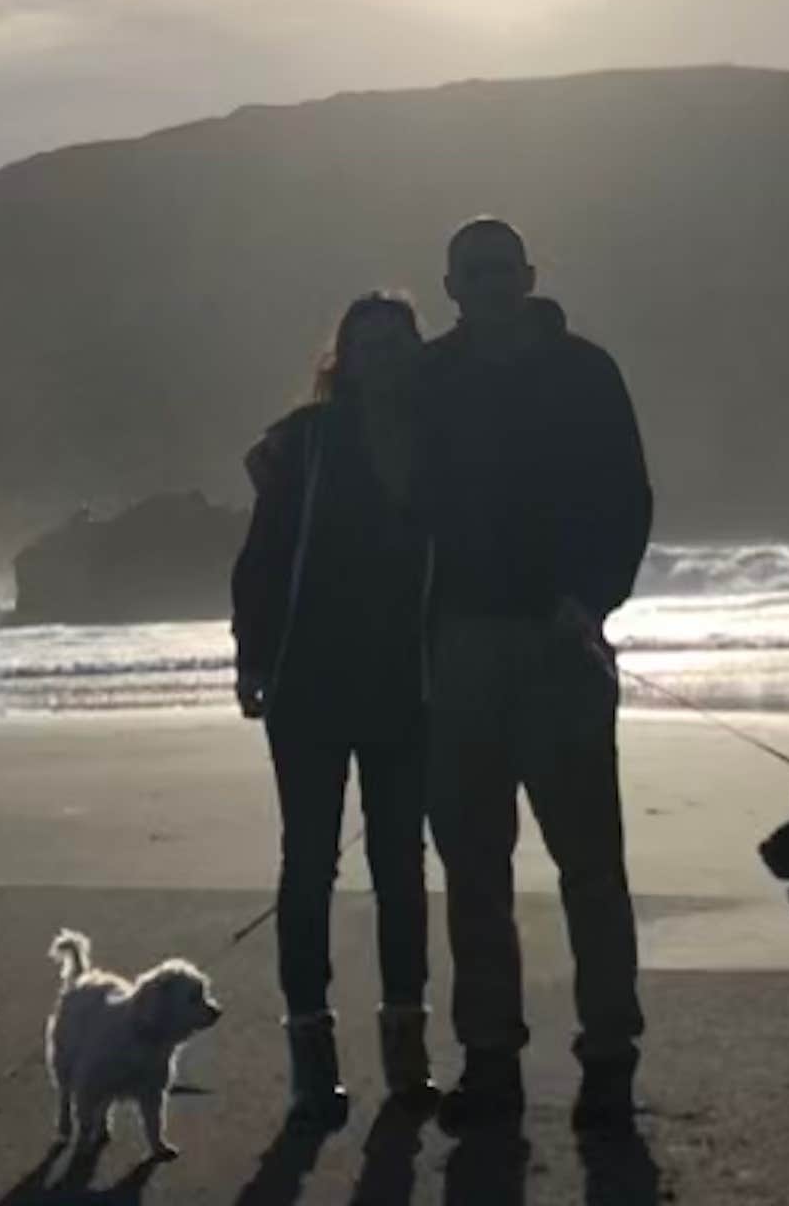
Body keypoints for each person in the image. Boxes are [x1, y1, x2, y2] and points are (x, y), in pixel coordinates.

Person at [411, 215, 652, 1135]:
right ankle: (490, 1064)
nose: (487, 284)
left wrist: (593, 601)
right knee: (474, 873)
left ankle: (610, 1061)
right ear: (451, 285)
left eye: (500, 269)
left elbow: (630, 497)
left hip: (562, 645)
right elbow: (375, 470)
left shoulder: (586, 371)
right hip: (457, 650)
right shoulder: (430, 379)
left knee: (590, 868)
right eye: (471, 272)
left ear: (529, 275)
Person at [230, 288, 437, 1120]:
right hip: (309, 685)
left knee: (402, 867)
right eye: (368, 344)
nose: (383, 356)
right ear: (342, 358)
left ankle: (406, 1056)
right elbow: (262, 562)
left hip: (407, 686)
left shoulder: (439, 442)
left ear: (415, 353)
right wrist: (251, 658)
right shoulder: (305, 445)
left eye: (397, 342)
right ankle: (312, 1057)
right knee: (310, 864)